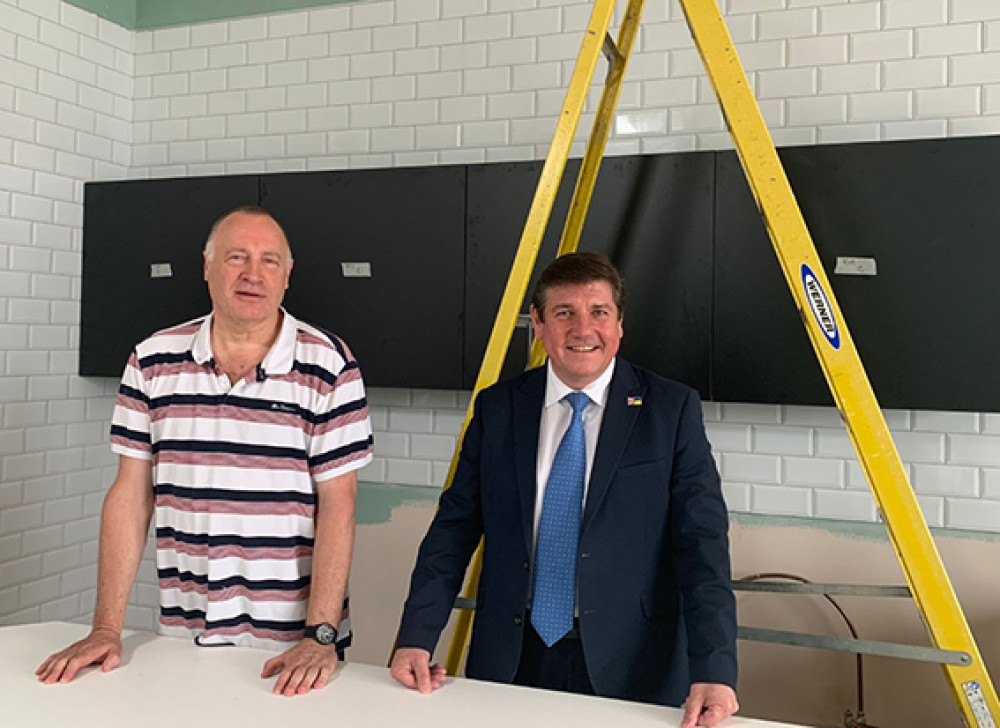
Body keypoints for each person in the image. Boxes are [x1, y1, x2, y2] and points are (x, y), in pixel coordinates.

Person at [36, 206, 373, 697]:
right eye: (237, 257)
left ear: (288, 275)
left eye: (269, 261)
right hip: (184, 630)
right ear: (208, 267)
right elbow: (131, 496)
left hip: (294, 647)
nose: (253, 274)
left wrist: (320, 635)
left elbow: (339, 503)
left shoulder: (329, 365)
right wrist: (106, 629)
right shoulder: (152, 360)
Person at [390, 252, 738, 727]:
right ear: (537, 322)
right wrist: (416, 635)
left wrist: (714, 670)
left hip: (633, 662)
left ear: (618, 324)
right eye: (564, 312)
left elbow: (703, 549)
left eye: (598, 312)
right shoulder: (499, 409)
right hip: (512, 658)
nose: (582, 329)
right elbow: (452, 531)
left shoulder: (670, 411)